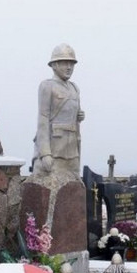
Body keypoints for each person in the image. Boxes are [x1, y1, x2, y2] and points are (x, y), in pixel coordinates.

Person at [32, 44, 85, 182]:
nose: (69, 67)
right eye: (64, 63)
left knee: (73, 185)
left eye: (71, 64)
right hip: (55, 148)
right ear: (54, 65)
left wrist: (79, 116)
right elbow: (43, 119)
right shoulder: (47, 86)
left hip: (72, 148)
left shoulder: (74, 88)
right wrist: (45, 154)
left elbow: (72, 114)